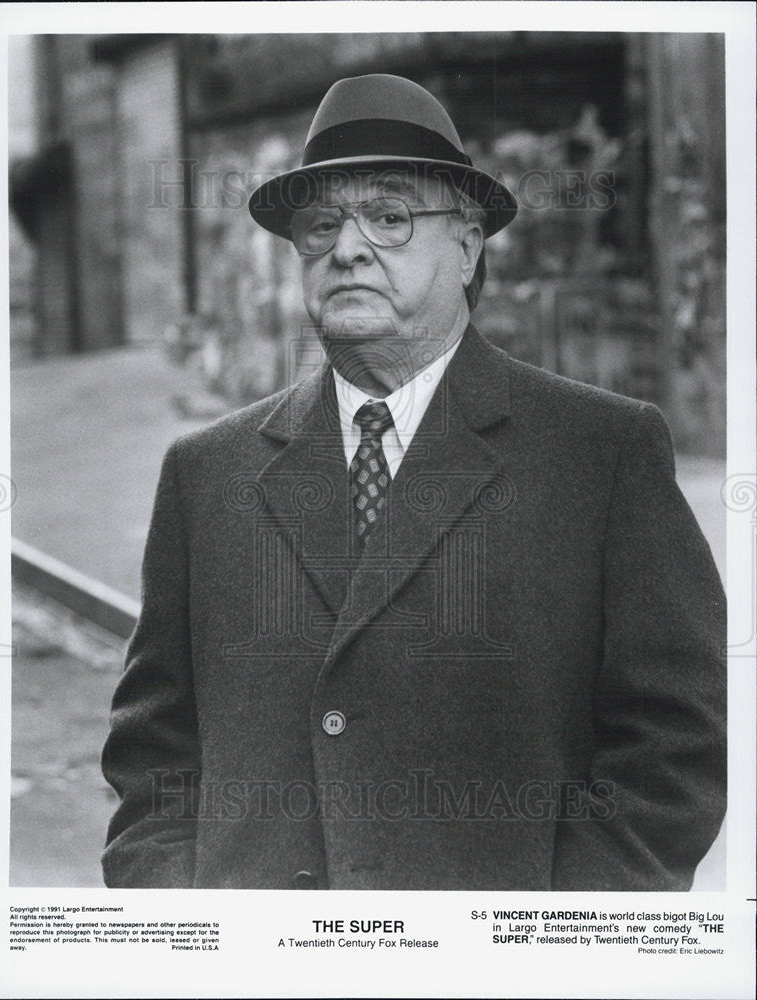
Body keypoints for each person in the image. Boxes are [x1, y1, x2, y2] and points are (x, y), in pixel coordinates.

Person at [101, 74, 726, 891]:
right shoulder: (205, 472)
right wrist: (183, 934)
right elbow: (153, 757)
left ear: (468, 246)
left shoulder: (601, 452)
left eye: (390, 217)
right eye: (322, 224)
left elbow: (674, 744)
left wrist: (559, 943)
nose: (348, 247)